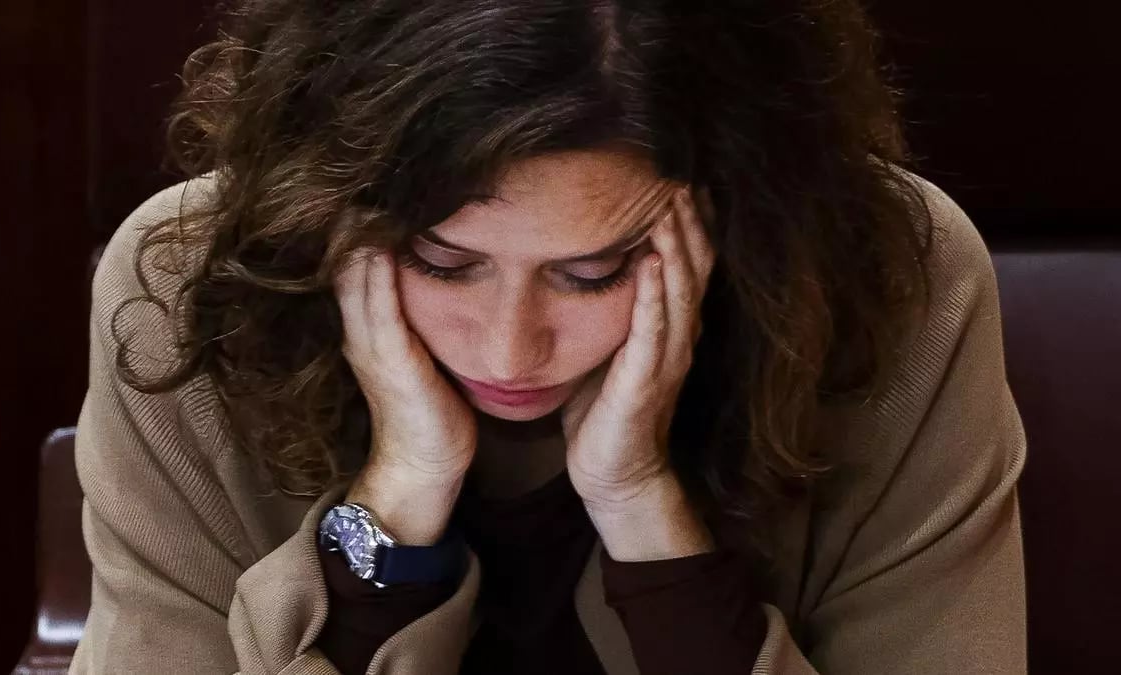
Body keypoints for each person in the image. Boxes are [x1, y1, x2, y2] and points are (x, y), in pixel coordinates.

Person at [69, 1, 1026, 673]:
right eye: (442, 263)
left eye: (595, 270)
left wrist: (646, 518)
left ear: (736, 217)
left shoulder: (891, 274)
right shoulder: (188, 285)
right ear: (329, 204)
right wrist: (392, 517)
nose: (508, 353)